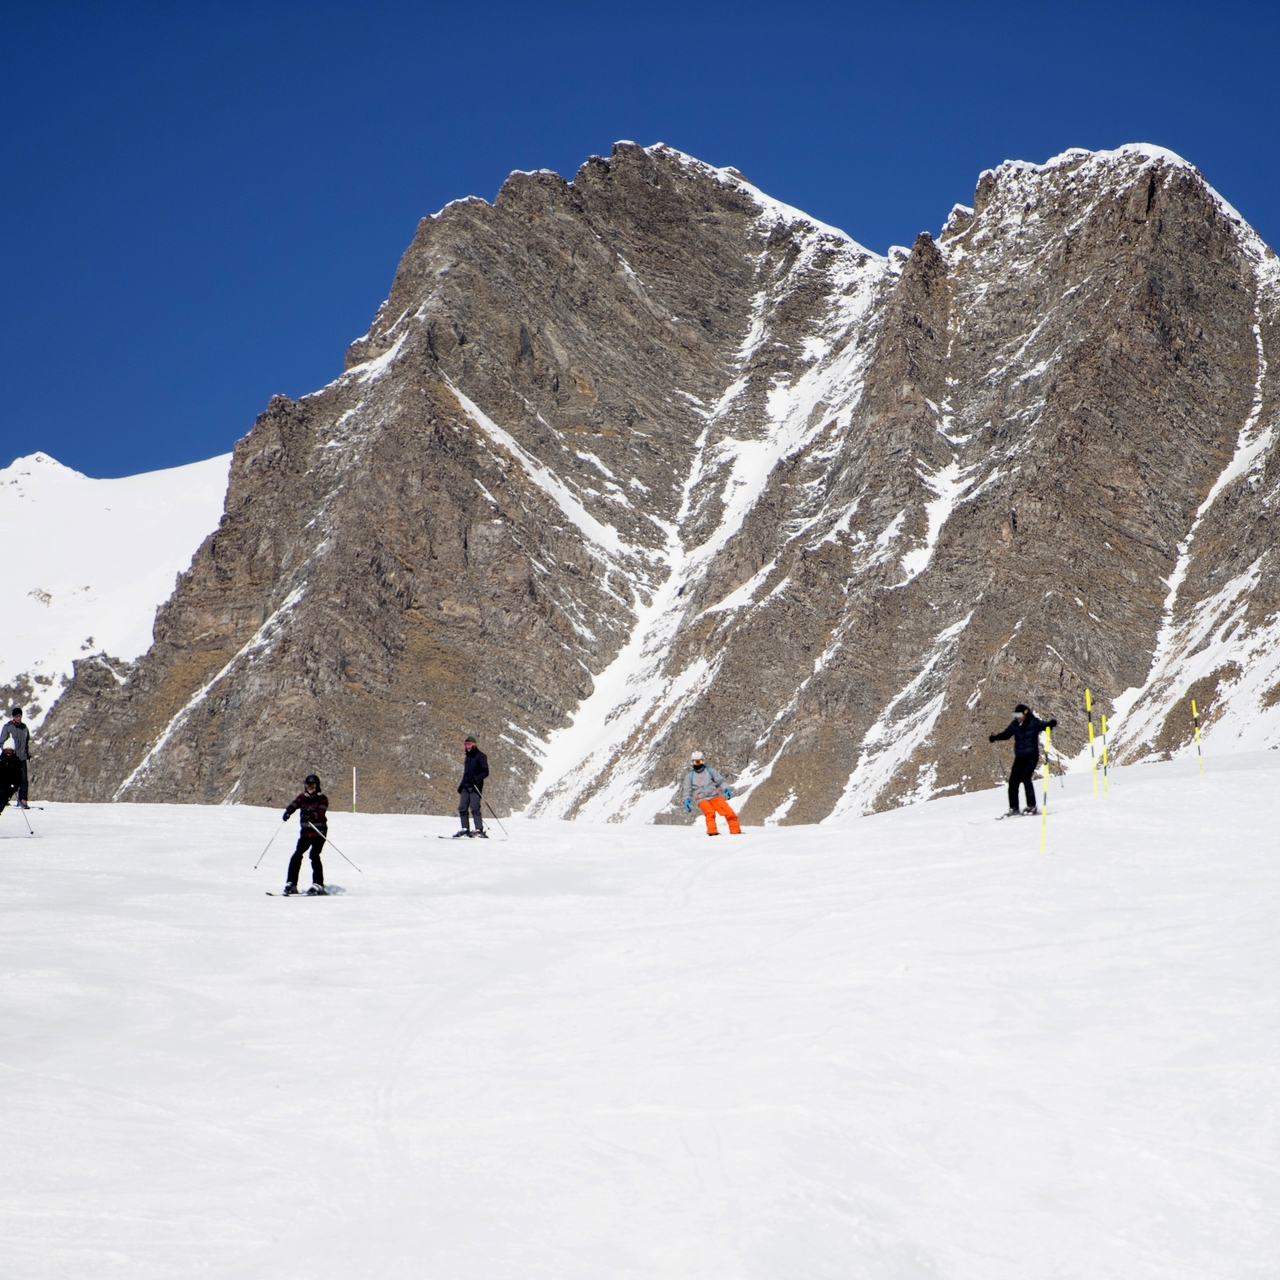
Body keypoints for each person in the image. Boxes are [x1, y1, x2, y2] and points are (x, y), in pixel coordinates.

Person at [989, 704, 1058, 815]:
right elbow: (1006, 735)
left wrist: (1050, 724)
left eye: (1019, 715)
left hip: (1031, 756)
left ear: (1025, 714)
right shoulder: (1015, 725)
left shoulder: (1033, 723)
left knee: (1026, 778)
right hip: (1019, 757)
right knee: (1013, 782)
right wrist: (995, 737)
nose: (1017, 717)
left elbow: (1044, 725)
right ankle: (1014, 808)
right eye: (1016, 715)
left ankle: (1032, 806)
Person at [282, 774, 328, 895]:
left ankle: (318, 884)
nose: (310, 788)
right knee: (297, 855)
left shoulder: (322, 798)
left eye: (312, 786)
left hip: (319, 833)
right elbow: (294, 804)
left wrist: (311, 815)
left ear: (317, 786)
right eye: (308, 786)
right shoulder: (302, 797)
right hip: (306, 834)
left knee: (314, 855)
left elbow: (321, 812)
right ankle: (291, 883)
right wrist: (288, 812)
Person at [682, 750, 741, 835]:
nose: (698, 764)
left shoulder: (710, 771)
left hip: (714, 796)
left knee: (728, 812)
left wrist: (726, 789)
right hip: (702, 798)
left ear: (703, 761)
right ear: (692, 762)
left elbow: (720, 781)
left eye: (699, 761)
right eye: (696, 762)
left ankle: (735, 831)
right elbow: (687, 789)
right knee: (709, 812)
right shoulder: (690, 776)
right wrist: (687, 800)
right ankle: (712, 831)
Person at [455, 736, 489, 837]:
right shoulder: (468, 757)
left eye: (469, 744)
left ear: (474, 745)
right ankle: (465, 829)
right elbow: (466, 774)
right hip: (465, 786)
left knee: (475, 807)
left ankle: (479, 830)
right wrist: (461, 785)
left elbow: (485, 771)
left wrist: (476, 779)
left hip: (476, 786)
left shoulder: (481, 756)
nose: (467, 747)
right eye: (465, 745)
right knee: (462, 807)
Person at [0, 707, 31, 808]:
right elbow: (2, 741)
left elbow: (27, 740)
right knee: (6, 778)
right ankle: (5, 797)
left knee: (23, 778)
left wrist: (26, 752)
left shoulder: (24, 727)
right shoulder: (8, 727)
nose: (18, 718)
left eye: (20, 716)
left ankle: (23, 799)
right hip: (11, 758)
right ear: (13, 716)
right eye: (17, 716)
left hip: (21, 757)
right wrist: (7, 753)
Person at [0, 738, 23, 815]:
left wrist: (14, 786)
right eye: (7, 750)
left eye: (10, 750)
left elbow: (19, 776)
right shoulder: (0, 760)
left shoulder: (16, 761)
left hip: (8, 790)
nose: (8, 752)